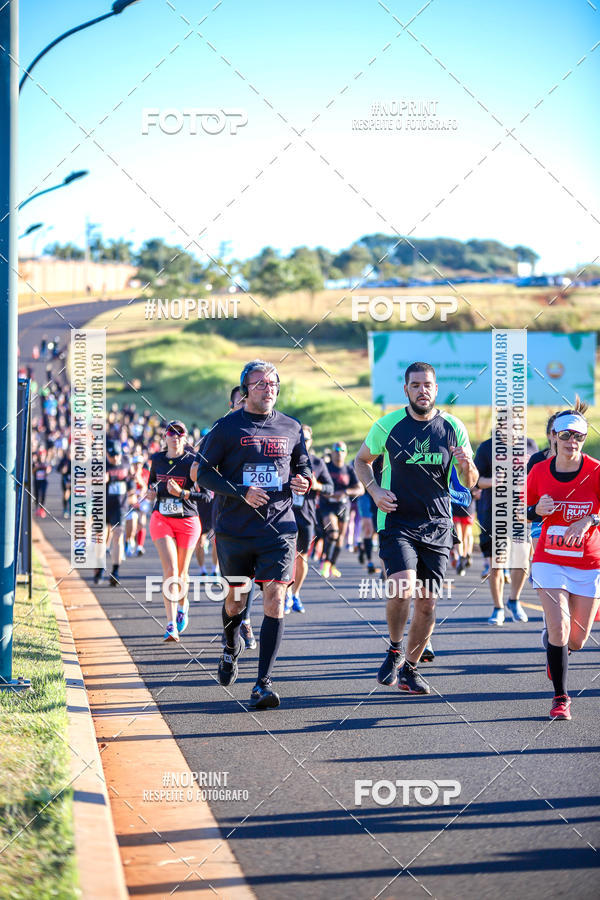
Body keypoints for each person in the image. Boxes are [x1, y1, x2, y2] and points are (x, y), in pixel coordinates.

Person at [194, 360, 311, 710]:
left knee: (276, 598)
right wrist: (241, 490)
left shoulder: (292, 427)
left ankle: (263, 683)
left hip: (279, 528)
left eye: (272, 382)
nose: (268, 387)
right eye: (259, 383)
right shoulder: (227, 427)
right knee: (236, 600)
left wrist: (305, 480)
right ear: (246, 390)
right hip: (235, 530)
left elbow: (302, 465)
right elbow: (202, 474)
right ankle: (230, 647)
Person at [354, 361, 478, 695]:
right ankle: (394, 648)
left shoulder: (453, 427)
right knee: (402, 588)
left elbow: (471, 481)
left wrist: (467, 467)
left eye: (428, 385)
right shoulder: (388, 425)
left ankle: (409, 669)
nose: (422, 390)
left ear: (436, 390)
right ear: (406, 389)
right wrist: (375, 491)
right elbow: (361, 461)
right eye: (416, 385)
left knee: (427, 604)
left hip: (438, 522)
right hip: (397, 520)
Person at [527, 407, 600, 720]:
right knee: (559, 625)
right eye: (566, 434)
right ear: (553, 437)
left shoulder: (596, 470)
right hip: (549, 560)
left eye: (579, 435)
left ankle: (555, 646)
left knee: (577, 640)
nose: (573, 441)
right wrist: (536, 510)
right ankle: (561, 697)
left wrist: (590, 519)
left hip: (588, 561)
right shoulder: (539, 471)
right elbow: (524, 511)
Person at [474, 429, 538, 624]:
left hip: (520, 511)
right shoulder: (487, 447)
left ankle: (514, 600)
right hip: (495, 512)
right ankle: (498, 608)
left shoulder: (529, 445)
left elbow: (539, 476)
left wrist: (527, 478)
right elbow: (474, 480)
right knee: (497, 564)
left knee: (523, 561)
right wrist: (492, 481)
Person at [147, 421, 204, 641]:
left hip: (188, 520)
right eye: (172, 433)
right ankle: (171, 624)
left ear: (186, 438)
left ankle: (183, 605)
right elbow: (152, 484)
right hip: (161, 518)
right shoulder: (157, 459)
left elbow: (206, 496)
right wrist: (151, 491)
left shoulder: (193, 462)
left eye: (180, 434)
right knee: (170, 571)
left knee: (181, 574)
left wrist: (182, 493)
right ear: (165, 436)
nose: (176, 437)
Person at [289, 424, 334, 612]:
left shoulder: (317, 463)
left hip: (307, 516)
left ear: (311, 441)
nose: (303, 442)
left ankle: (295, 594)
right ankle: (283, 595)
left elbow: (330, 489)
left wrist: (317, 486)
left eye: (306, 439)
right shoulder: (286, 459)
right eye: (300, 439)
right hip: (286, 515)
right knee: (286, 557)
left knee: (302, 558)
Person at [95, 441, 136, 586]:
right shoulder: (100, 464)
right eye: (112, 456)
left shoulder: (126, 461)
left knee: (118, 534)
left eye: (118, 454)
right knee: (102, 537)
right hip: (102, 504)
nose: (116, 458)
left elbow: (130, 478)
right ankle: (99, 568)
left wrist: (133, 486)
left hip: (119, 506)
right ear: (107, 454)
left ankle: (115, 571)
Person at [319, 441, 363, 578]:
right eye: (336, 450)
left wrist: (345, 492)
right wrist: (325, 491)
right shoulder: (326, 467)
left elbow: (360, 489)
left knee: (340, 539)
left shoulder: (349, 470)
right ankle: (325, 562)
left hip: (343, 506)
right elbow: (317, 482)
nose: (339, 452)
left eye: (342, 450)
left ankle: (332, 564)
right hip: (327, 505)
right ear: (332, 452)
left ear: (345, 453)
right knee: (333, 532)